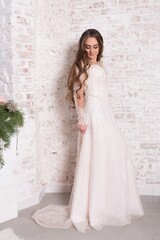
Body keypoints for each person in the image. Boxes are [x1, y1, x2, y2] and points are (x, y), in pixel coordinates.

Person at [32, 29, 144, 233]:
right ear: (82, 48)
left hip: (105, 114)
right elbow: (79, 95)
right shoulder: (80, 67)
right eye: (88, 47)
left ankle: (107, 203)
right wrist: (82, 120)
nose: (91, 50)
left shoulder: (99, 65)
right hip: (91, 117)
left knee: (111, 154)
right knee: (93, 157)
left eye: (95, 46)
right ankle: (91, 207)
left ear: (100, 47)